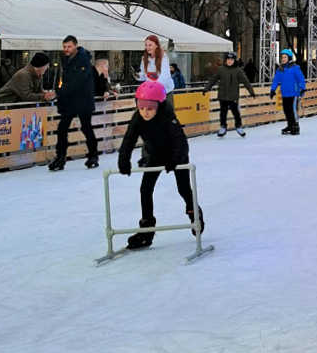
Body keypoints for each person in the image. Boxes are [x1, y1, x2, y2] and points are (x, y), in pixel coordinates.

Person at [116, 80, 203, 250]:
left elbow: (181, 143)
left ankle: (195, 214)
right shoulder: (137, 118)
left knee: (183, 188)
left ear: (159, 105)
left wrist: (174, 160)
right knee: (145, 189)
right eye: (141, 107)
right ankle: (146, 230)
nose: (145, 112)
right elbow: (129, 139)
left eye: (150, 108)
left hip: (176, 156)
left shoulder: (168, 117)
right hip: (155, 155)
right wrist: (123, 160)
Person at [49, 35, 99, 171]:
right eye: (64, 47)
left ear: (75, 46)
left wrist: (58, 92)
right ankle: (60, 157)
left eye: (69, 46)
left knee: (86, 127)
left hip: (83, 99)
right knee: (62, 128)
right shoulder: (65, 59)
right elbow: (65, 80)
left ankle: (93, 155)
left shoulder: (83, 60)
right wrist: (58, 91)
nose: (66, 49)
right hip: (69, 100)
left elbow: (77, 81)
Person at [203, 51, 256, 137]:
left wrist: (251, 92)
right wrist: (206, 88)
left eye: (231, 60)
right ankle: (223, 127)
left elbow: (246, 82)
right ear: (225, 60)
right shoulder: (221, 69)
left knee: (236, 113)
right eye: (228, 59)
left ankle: (238, 126)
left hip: (233, 96)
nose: (229, 61)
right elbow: (213, 79)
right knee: (223, 113)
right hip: (222, 95)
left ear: (234, 60)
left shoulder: (238, 70)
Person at [270, 48, 306, 135]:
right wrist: (272, 89)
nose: (283, 59)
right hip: (284, 93)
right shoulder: (280, 69)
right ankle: (290, 125)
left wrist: (302, 88)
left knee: (293, 110)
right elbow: (276, 80)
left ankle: (295, 126)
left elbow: (301, 79)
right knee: (286, 110)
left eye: (285, 57)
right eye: (282, 57)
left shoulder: (295, 68)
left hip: (294, 93)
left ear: (289, 58)